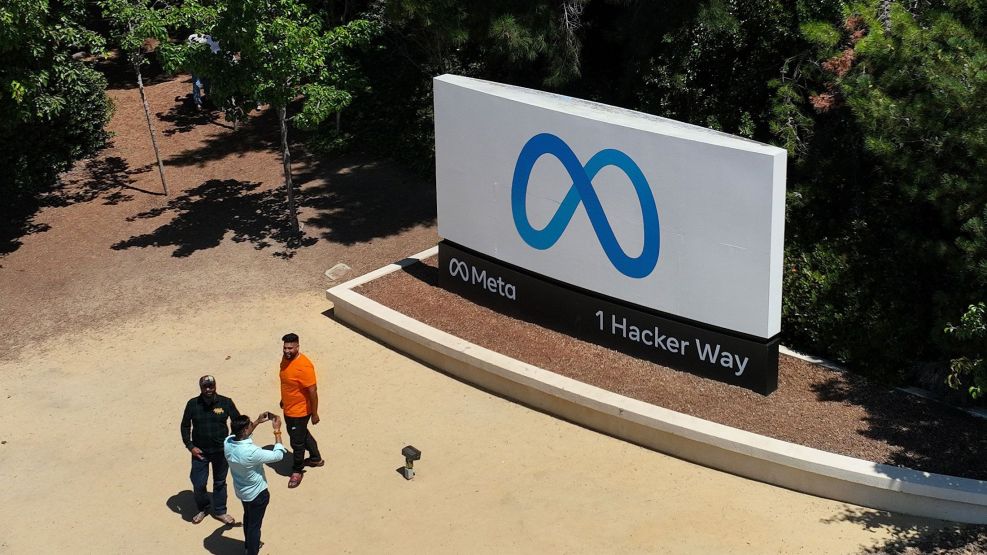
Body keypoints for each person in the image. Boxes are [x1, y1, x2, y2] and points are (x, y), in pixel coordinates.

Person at [180, 375, 239, 525]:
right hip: (200, 452)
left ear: (215, 386)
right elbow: (185, 425)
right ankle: (203, 508)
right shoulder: (193, 404)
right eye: (205, 386)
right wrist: (190, 446)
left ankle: (220, 511)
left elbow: (238, 422)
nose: (208, 389)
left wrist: (231, 441)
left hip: (221, 451)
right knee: (198, 483)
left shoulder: (226, 402)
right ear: (200, 388)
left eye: (210, 386)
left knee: (220, 482)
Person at [225, 413, 286, 555]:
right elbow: (278, 455)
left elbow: (242, 434)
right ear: (245, 430)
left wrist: (258, 421)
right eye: (249, 425)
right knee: (254, 526)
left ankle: (248, 546)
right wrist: (277, 430)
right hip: (258, 494)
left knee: (248, 517)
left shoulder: (227, 442)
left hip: (242, 491)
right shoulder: (251, 452)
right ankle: (251, 551)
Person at [279, 332, 323, 488]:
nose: (287, 351)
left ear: (298, 346)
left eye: (290, 348)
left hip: (300, 412)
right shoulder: (285, 360)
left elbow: (313, 391)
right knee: (301, 434)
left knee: (296, 442)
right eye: (285, 348)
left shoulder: (304, 366)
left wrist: (315, 413)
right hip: (288, 408)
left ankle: (297, 471)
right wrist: (284, 399)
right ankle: (316, 458)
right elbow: (287, 382)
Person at [186, 33, 220, 110]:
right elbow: (189, 50)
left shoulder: (209, 38)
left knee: (207, 82)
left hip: (206, 66)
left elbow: (215, 51)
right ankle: (198, 102)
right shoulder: (192, 37)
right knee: (197, 83)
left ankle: (208, 96)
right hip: (197, 66)